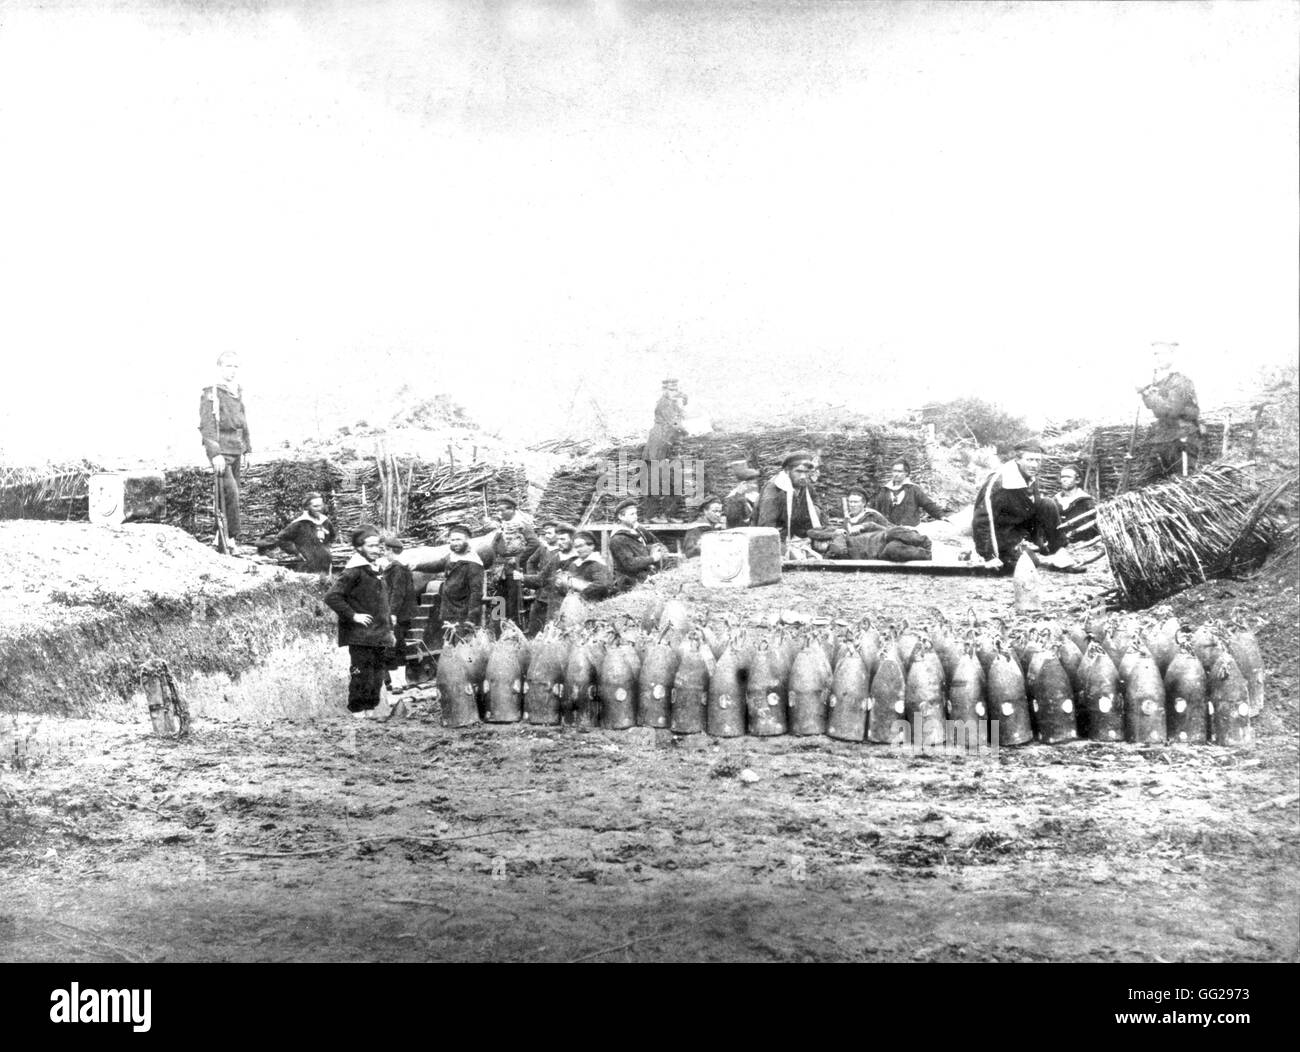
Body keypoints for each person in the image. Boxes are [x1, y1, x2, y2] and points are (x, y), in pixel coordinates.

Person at [971, 438, 1080, 574]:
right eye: (1030, 460)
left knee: (1048, 504)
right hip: (1001, 536)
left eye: (1037, 460)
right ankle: (996, 555)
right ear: (1018, 460)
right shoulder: (1000, 481)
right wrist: (989, 556)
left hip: (1018, 532)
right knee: (1029, 563)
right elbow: (982, 519)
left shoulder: (1030, 478)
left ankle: (1059, 554)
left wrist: (1037, 539)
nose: (1034, 465)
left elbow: (1032, 509)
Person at [324, 526, 396, 718]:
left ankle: (370, 716)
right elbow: (332, 596)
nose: (375, 549)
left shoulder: (376, 569)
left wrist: (390, 631)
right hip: (361, 636)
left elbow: (383, 604)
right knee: (360, 676)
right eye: (370, 546)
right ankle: (358, 715)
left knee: (376, 677)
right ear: (359, 548)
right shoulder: (353, 571)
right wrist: (353, 615)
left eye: (377, 546)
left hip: (379, 634)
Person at [199, 351, 252, 543]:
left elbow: (243, 423)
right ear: (219, 367)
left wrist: (246, 450)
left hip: (236, 449)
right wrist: (215, 454)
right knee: (231, 493)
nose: (232, 370)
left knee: (229, 495)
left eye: (235, 366)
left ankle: (218, 537)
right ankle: (230, 538)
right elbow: (207, 427)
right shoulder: (211, 392)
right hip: (221, 451)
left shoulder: (237, 390)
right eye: (228, 366)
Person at [1139, 341, 1201, 479]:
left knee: (1183, 483)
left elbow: (1171, 410)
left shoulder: (1181, 381)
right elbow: (1155, 409)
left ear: (1173, 355)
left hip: (1182, 439)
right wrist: (1148, 393)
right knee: (1151, 482)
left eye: (1162, 353)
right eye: (1155, 354)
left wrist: (1148, 393)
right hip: (1163, 437)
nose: (1158, 357)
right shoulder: (1160, 381)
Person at [825, 488, 932, 562]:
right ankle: (925, 554)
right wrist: (841, 532)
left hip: (884, 537)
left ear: (863, 503)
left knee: (893, 532)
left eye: (856, 502)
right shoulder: (847, 522)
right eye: (851, 502)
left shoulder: (873, 515)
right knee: (893, 549)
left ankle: (924, 542)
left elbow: (890, 528)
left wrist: (868, 526)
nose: (852, 505)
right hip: (877, 551)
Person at [756, 451, 828, 545]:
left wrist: (811, 537)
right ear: (787, 471)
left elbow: (818, 511)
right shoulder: (775, 490)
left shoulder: (805, 487)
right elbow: (766, 529)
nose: (803, 476)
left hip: (798, 538)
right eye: (798, 471)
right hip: (775, 541)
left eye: (806, 472)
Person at [488, 496, 538, 629]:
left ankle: (513, 629)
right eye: (498, 511)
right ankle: (497, 628)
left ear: (512, 509)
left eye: (502, 510)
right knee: (498, 598)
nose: (500, 514)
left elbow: (534, 543)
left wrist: (518, 559)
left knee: (513, 600)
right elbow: (494, 546)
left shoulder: (522, 525)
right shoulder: (501, 527)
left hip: (515, 569)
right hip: (500, 569)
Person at [642, 378, 688, 522]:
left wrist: (683, 398)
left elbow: (682, 412)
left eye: (676, 389)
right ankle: (652, 516)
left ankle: (668, 515)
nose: (674, 392)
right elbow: (675, 423)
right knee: (655, 481)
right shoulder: (664, 403)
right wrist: (687, 431)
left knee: (674, 482)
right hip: (657, 447)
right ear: (664, 390)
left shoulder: (673, 403)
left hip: (665, 447)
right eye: (671, 390)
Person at [434, 523, 485, 641]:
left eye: (459, 539)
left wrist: (471, 619)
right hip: (448, 610)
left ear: (467, 540)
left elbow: (476, 593)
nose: (455, 543)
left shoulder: (473, 563)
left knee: (461, 648)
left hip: (462, 614)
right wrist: (416, 565)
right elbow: (437, 565)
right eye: (452, 540)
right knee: (448, 647)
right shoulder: (451, 557)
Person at [380, 532, 419, 683]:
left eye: (385, 550)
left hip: (396, 615)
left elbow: (397, 592)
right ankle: (401, 682)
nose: (384, 553)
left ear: (390, 550)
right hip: (403, 615)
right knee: (400, 646)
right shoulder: (402, 568)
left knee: (392, 647)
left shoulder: (396, 569)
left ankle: (397, 683)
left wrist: (392, 613)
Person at [608, 498, 667, 591]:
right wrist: (653, 558)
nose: (636, 517)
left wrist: (654, 548)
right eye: (632, 514)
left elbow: (656, 542)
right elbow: (630, 564)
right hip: (630, 583)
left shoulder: (638, 529)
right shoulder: (617, 539)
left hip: (646, 576)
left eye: (636, 513)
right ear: (621, 516)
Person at [271, 492, 336, 573]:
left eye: (321, 505)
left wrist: (326, 549)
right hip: (308, 567)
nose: (319, 509)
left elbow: (332, 537)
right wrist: (296, 552)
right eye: (315, 506)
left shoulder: (326, 521)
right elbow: (281, 538)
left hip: (325, 564)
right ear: (307, 507)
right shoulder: (299, 524)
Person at [873, 459, 946, 527]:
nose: (896, 474)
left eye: (900, 471)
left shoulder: (913, 490)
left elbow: (928, 504)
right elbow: (875, 510)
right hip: (888, 530)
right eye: (894, 471)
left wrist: (941, 516)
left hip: (910, 530)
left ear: (906, 473)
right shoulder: (884, 490)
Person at [520, 521, 563, 634]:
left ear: (558, 535)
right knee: (535, 621)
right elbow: (531, 562)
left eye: (549, 533)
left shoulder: (562, 551)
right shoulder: (543, 548)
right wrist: (532, 578)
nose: (546, 536)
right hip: (541, 590)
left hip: (556, 593)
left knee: (553, 623)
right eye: (545, 533)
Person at [556, 531, 615, 601]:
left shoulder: (597, 564)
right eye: (576, 547)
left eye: (580, 546)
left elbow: (602, 585)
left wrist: (581, 594)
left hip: (592, 603)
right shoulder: (574, 564)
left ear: (591, 546)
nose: (578, 550)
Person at [1054, 464, 1098, 542]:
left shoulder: (1086, 502)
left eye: (1068, 477)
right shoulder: (1055, 500)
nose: (1064, 479)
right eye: (1063, 477)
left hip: (1081, 545)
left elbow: (1094, 528)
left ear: (1077, 480)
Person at [722, 460, 761, 528]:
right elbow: (732, 518)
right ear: (743, 484)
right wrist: (739, 495)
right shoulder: (731, 498)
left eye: (755, 483)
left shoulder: (754, 496)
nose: (755, 486)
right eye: (752, 483)